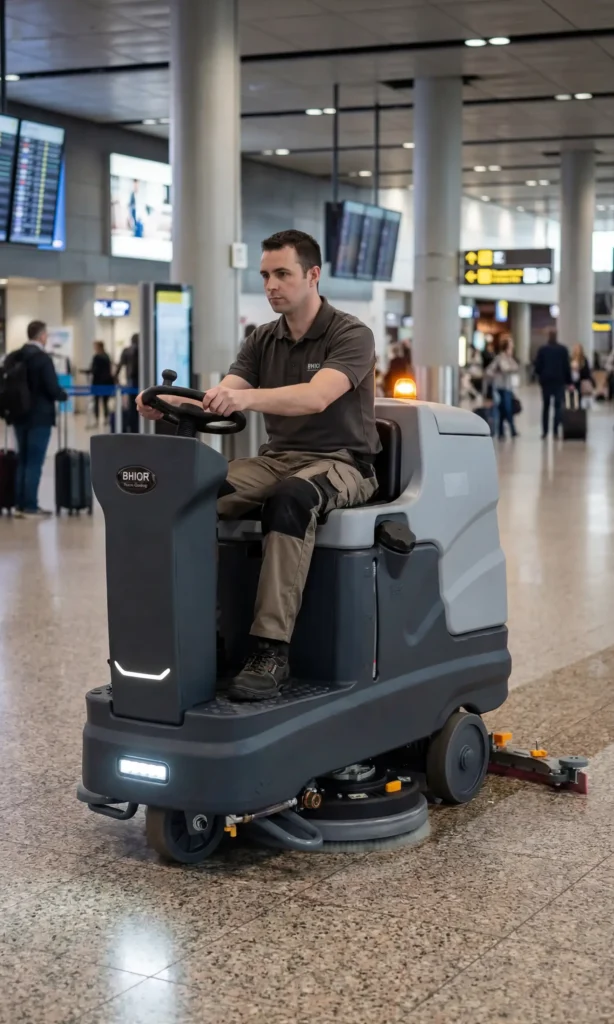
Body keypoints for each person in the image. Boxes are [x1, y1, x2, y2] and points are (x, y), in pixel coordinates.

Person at [138, 229, 380, 701]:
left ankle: (271, 649)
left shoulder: (351, 334)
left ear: (313, 275)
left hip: (343, 462)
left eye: (282, 274)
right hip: (278, 459)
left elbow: (316, 396)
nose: (271, 284)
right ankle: (200, 636)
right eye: (266, 275)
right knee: (193, 494)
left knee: (291, 499)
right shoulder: (262, 339)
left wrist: (242, 397)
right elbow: (221, 395)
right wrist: (170, 400)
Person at [11, 320, 67, 518]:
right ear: (42, 336)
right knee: (35, 461)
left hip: (18, 415)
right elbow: (52, 388)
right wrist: (62, 394)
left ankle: (19, 504)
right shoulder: (43, 359)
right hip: (39, 417)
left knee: (23, 460)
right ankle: (31, 506)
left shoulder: (15, 356)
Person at [534, 331, 572, 438]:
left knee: (545, 406)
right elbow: (566, 367)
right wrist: (569, 382)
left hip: (546, 382)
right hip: (559, 381)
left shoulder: (542, 350)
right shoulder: (563, 350)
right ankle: (555, 430)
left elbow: (537, 367)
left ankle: (545, 431)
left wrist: (540, 376)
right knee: (558, 406)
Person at [486, 337, 519, 439]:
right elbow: (500, 369)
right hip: (501, 387)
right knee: (506, 408)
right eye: (511, 345)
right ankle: (511, 430)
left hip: (508, 386)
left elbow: (515, 367)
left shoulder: (509, 358)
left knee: (504, 409)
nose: (512, 347)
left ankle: (501, 431)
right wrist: (497, 374)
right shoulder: (500, 358)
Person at [116, 333, 140, 432]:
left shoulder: (127, 351)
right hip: (140, 381)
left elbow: (120, 365)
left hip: (132, 381)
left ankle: (132, 428)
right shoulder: (144, 350)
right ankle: (136, 427)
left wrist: (115, 378)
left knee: (132, 405)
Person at [89, 340, 114, 423]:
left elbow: (94, 369)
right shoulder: (107, 356)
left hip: (98, 382)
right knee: (105, 402)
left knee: (96, 401)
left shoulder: (97, 357)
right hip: (107, 382)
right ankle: (106, 418)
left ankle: (97, 419)